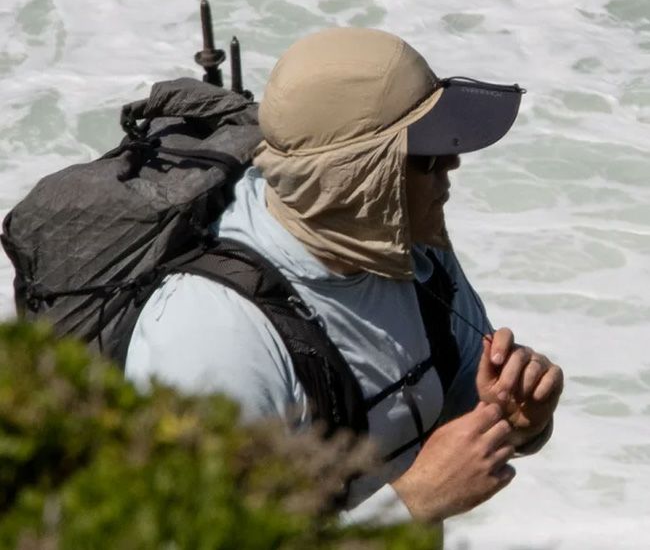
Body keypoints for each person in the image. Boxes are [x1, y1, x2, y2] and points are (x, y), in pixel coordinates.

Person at [125, 27, 563, 525]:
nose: (454, 163)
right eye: (426, 154)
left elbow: (464, 408)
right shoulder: (212, 340)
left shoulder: (406, 248)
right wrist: (409, 504)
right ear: (356, 177)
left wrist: (516, 420)